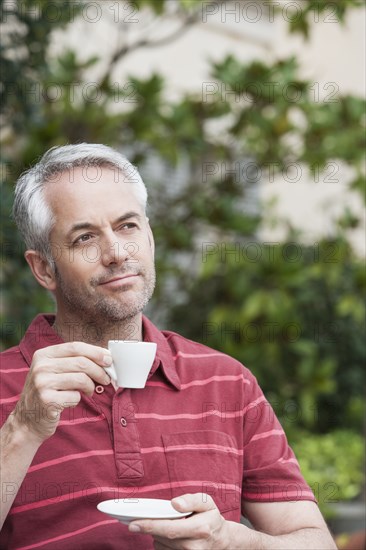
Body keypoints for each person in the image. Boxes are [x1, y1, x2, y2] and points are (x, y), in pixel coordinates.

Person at [0, 143, 336, 549]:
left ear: (150, 236)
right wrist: (23, 429)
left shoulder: (226, 381)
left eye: (127, 226)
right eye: (85, 237)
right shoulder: (9, 389)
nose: (117, 253)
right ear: (43, 268)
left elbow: (316, 542)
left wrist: (231, 541)